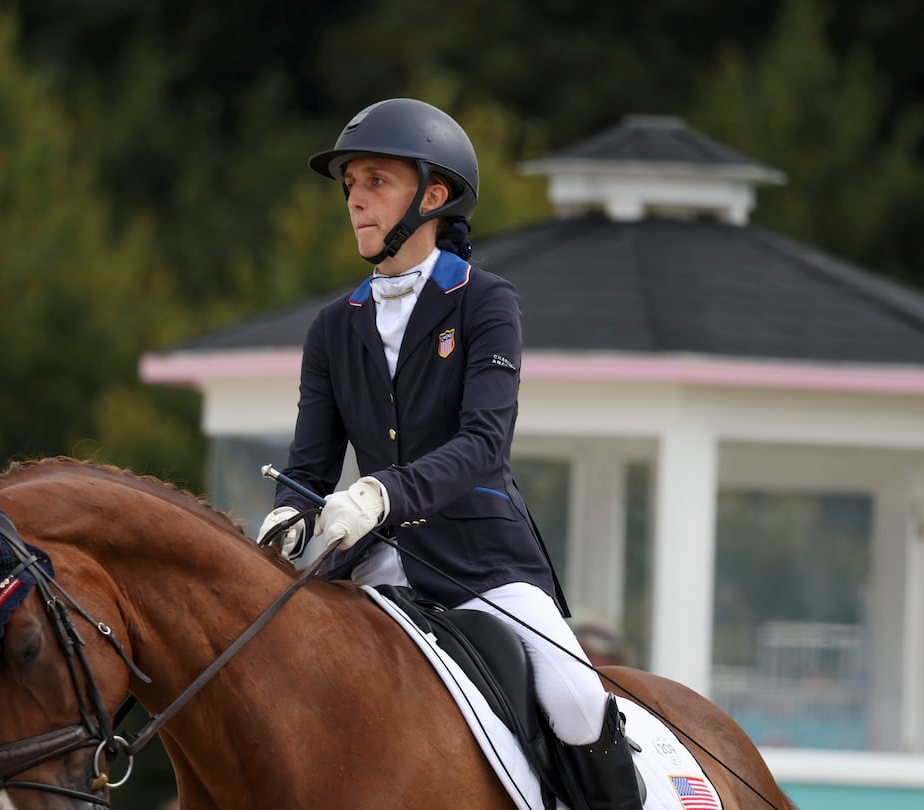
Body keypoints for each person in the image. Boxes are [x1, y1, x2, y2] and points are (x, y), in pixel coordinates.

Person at [259, 98, 642, 809]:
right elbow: (309, 471)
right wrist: (287, 516)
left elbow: (483, 444)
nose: (356, 200)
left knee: (576, 695)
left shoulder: (486, 303)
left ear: (432, 195)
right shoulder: (331, 329)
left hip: (483, 561)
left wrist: (378, 494)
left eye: (376, 180)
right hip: (370, 568)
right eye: (350, 185)